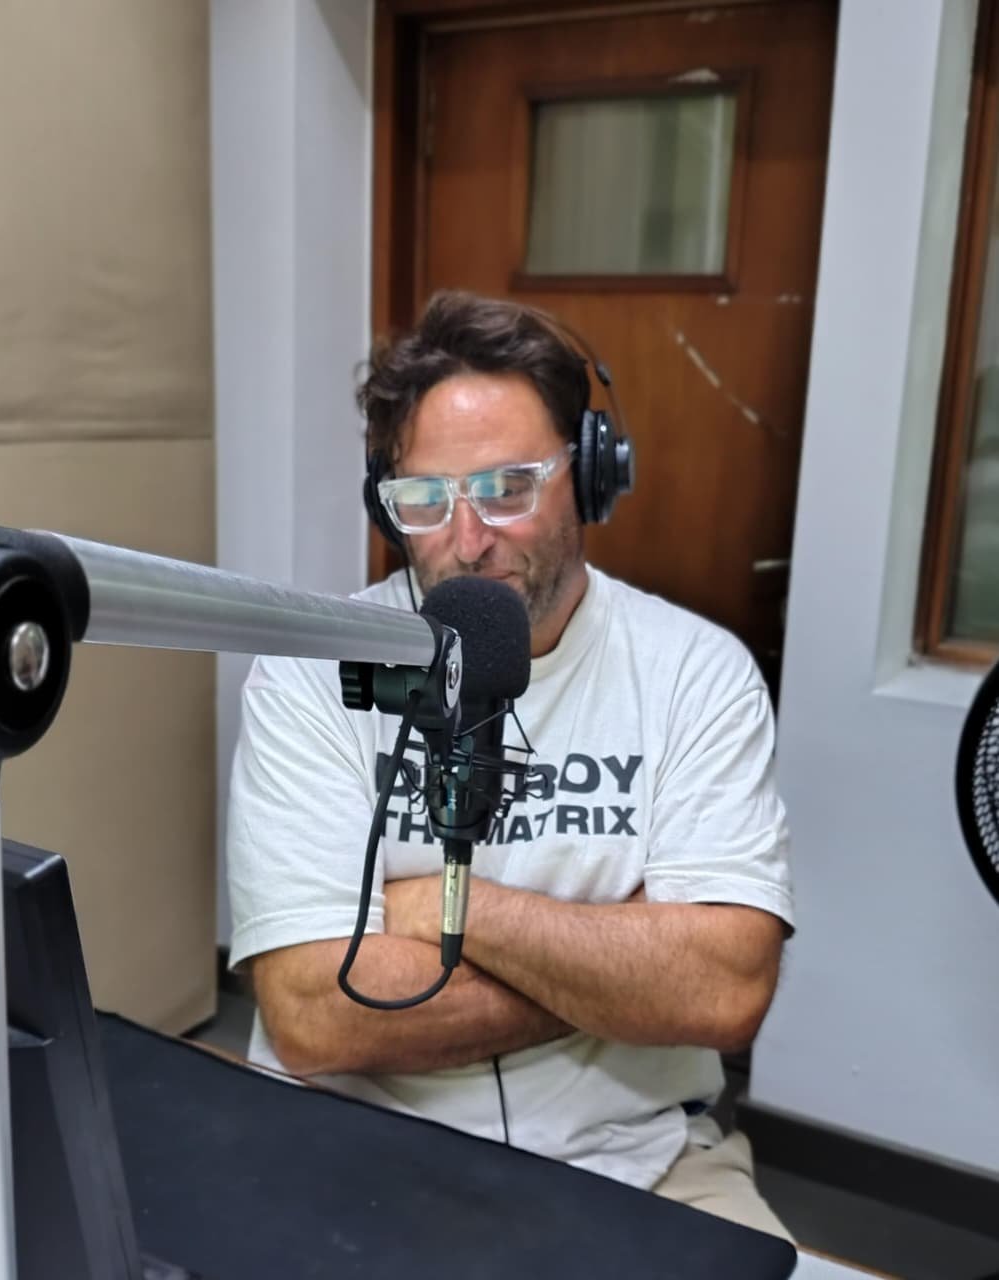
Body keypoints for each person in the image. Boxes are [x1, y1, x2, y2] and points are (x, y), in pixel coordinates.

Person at [226, 291, 794, 1240]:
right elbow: (314, 1017)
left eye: (507, 488)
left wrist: (441, 910)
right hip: (352, 1148)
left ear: (591, 476)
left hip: (638, 1156)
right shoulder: (311, 674)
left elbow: (725, 990)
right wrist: (622, 969)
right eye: (425, 501)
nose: (467, 540)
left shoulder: (696, 672)